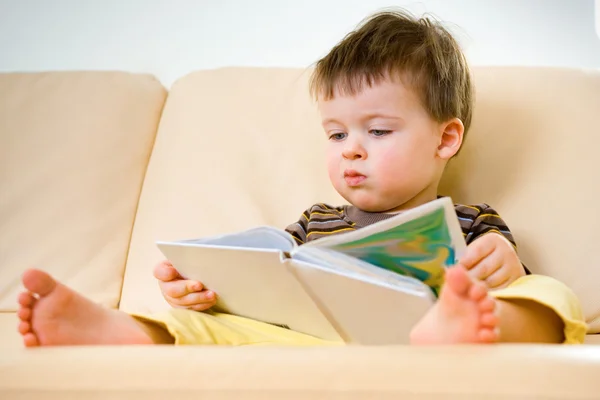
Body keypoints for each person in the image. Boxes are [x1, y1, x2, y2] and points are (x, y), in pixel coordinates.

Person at [17, 10, 587, 348]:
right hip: (316, 340)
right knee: (213, 328)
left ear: (445, 139)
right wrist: (203, 292)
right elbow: (267, 288)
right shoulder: (315, 224)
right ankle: (126, 334)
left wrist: (505, 264)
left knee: (553, 294)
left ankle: (463, 329)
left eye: (378, 131)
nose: (351, 152)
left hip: (430, 327)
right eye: (337, 135)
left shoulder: (471, 223)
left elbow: (512, 272)